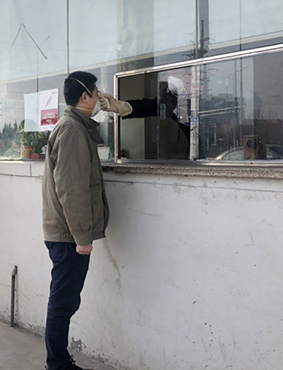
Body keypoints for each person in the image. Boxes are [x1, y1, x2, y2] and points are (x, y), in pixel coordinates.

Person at [42, 71, 109, 370]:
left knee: (65, 300)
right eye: (96, 93)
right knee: (63, 302)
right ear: (84, 96)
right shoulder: (71, 131)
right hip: (68, 234)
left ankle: (58, 361)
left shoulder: (76, 127)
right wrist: (82, 237)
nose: (99, 98)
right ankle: (57, 364)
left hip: (67, 231)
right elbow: (72, 188)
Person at [101, 75, 190, 159]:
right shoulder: (155, 110)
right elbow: (143, 106)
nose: (165, 104)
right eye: (162, 99)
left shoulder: (181, 127)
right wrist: (120, 107)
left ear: (174, 104)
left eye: (168, 100)